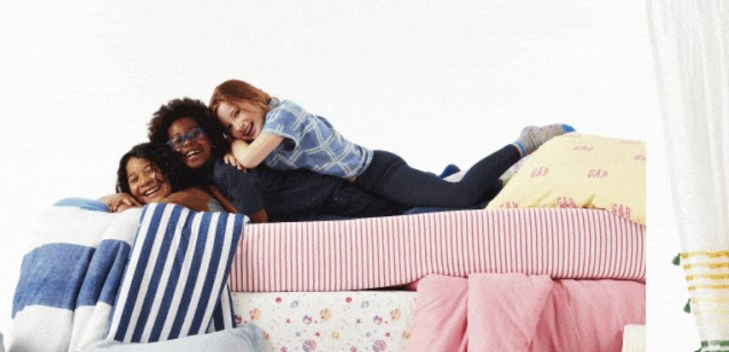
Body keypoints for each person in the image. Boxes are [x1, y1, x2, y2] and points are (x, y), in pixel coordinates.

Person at [209, 79, 573, 210]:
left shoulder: (284, 115)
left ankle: (526, 142)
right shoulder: (257, 137)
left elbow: (251, 159)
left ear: (253, 98)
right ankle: (456, 178)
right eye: (230, 126)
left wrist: (233, 149)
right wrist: (232, 147)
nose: (240, 126)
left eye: (238, 112)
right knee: (448, 206)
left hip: (377, 171)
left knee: (460, 197)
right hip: (362, 185)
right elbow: (247, 154)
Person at [147, 98, 412, 223]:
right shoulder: (207, 175)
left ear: (212, 137)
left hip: (333, 194)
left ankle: (442, 194)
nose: (188, 144)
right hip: (312, 206)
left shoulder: (225, 170)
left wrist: (217, 193)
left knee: (400, 216)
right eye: (178, 141)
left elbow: (256, 218)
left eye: (195, 134)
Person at [100, 142, 231, 213]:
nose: (145, 181)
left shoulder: (191, 195)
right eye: (134, 180)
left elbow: (140, 215)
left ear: (168, 168)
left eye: (150, 170)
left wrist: (122, 207)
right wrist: (115, 198)